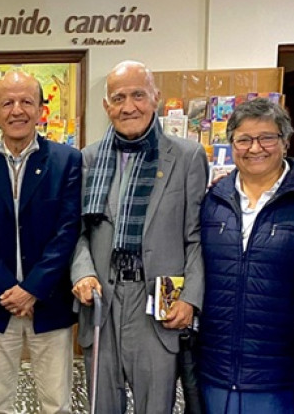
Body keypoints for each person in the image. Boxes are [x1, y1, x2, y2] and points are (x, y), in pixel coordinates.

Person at [71, 60, 207, 414]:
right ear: (106, 106)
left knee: (155, 406)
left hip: (156, 303)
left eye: (138, 95)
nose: (128, 106)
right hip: (102, 298)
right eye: (118, 98)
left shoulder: (187, 156)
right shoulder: (88, 159)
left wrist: (190, 299)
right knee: (102, 404)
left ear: (156, 99)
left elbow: (195, 237)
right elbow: (76, 232)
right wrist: (82, 271)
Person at [0, 70, 82, 414]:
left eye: (27, 101)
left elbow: (67, 230)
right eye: (7, 103)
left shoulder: (66, 161)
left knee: (56, 402)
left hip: (49, 301)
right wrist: (9, 292)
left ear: (41, 109)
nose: (17, 110)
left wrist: (32, 288)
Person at [197, 98, 294, 413]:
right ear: (232, 145)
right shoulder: (213, 201)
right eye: (243, 139)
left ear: (285, 142)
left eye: (266, 138)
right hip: (216, 366)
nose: (255, 148)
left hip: (278, 372)